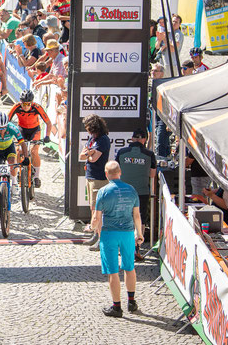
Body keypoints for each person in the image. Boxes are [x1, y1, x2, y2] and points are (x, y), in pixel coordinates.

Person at [92, 161, 143, 317]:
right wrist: (139, 233)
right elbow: (136, 215)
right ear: (120, 172)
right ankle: (132, 302)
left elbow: (97, 217)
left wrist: (93, 227)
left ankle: (116, 307)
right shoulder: (131, 190)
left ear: (106, 174)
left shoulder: (103, 191)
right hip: (127, 232)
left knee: (113, 272)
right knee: (129, 267)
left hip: (109, 234)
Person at [115, 129, 157, 261]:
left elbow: (116, 171)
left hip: (123, 191)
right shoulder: (149, 154)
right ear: (145, 139)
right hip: (141, 191)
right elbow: (152, 175)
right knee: (140, 221)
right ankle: (136, 248)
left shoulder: (122, 152)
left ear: (132, 139)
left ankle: (122, 247)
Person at [79, 114, 111, 251]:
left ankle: (101, 239)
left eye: (87, 127)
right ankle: (95, 235)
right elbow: (81, 156)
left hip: (99, 178)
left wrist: (88, 154)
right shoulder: (92, 139)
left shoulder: (103, 140)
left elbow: (93, 159)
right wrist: (88, 153)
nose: (86, 130)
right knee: (93, 207)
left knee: (98, 210)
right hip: (90, 176)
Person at [7, 90, 51, 187]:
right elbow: (6, 121)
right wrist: (7, 134)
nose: (26, 106)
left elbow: (48, 123)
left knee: (33, 151)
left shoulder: (37, 107)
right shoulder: (16, 107)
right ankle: (19, 171)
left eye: (28, 104)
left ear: (32, 102)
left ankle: (36, 176)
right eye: (24, 104)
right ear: (20, 102)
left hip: (34, 130)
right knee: (19, 150)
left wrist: (47, 136)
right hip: (22, 130)